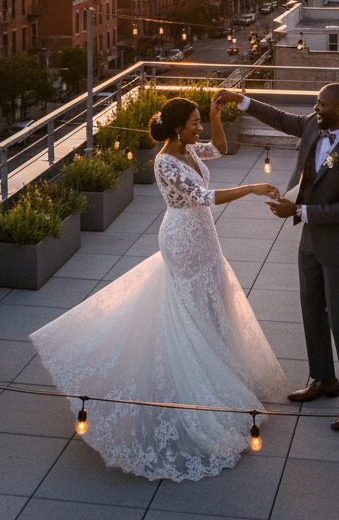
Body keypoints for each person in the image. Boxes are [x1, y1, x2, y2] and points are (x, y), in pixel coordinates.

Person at [30, 93, 285, 481]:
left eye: (201, 120)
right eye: (196, 121)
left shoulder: (188, 148)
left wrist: (217, 116)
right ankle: (189, 383)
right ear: (178, 127)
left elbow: (219, 148)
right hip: (182, 238)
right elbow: (203, 197)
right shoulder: (165, 161)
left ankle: (216, 367)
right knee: (186, 308)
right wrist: (251, 189)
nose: (200, 127)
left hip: (203, 238)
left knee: (211, 301)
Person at [214, 84, 339, 431]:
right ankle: (323, 379)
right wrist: (239, 99)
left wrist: (298, 209)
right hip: (311, 239)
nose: (315, 108)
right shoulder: (315, 126)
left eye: (322, 104)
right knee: (311, 309)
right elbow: (279, 118)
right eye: (316, 102)